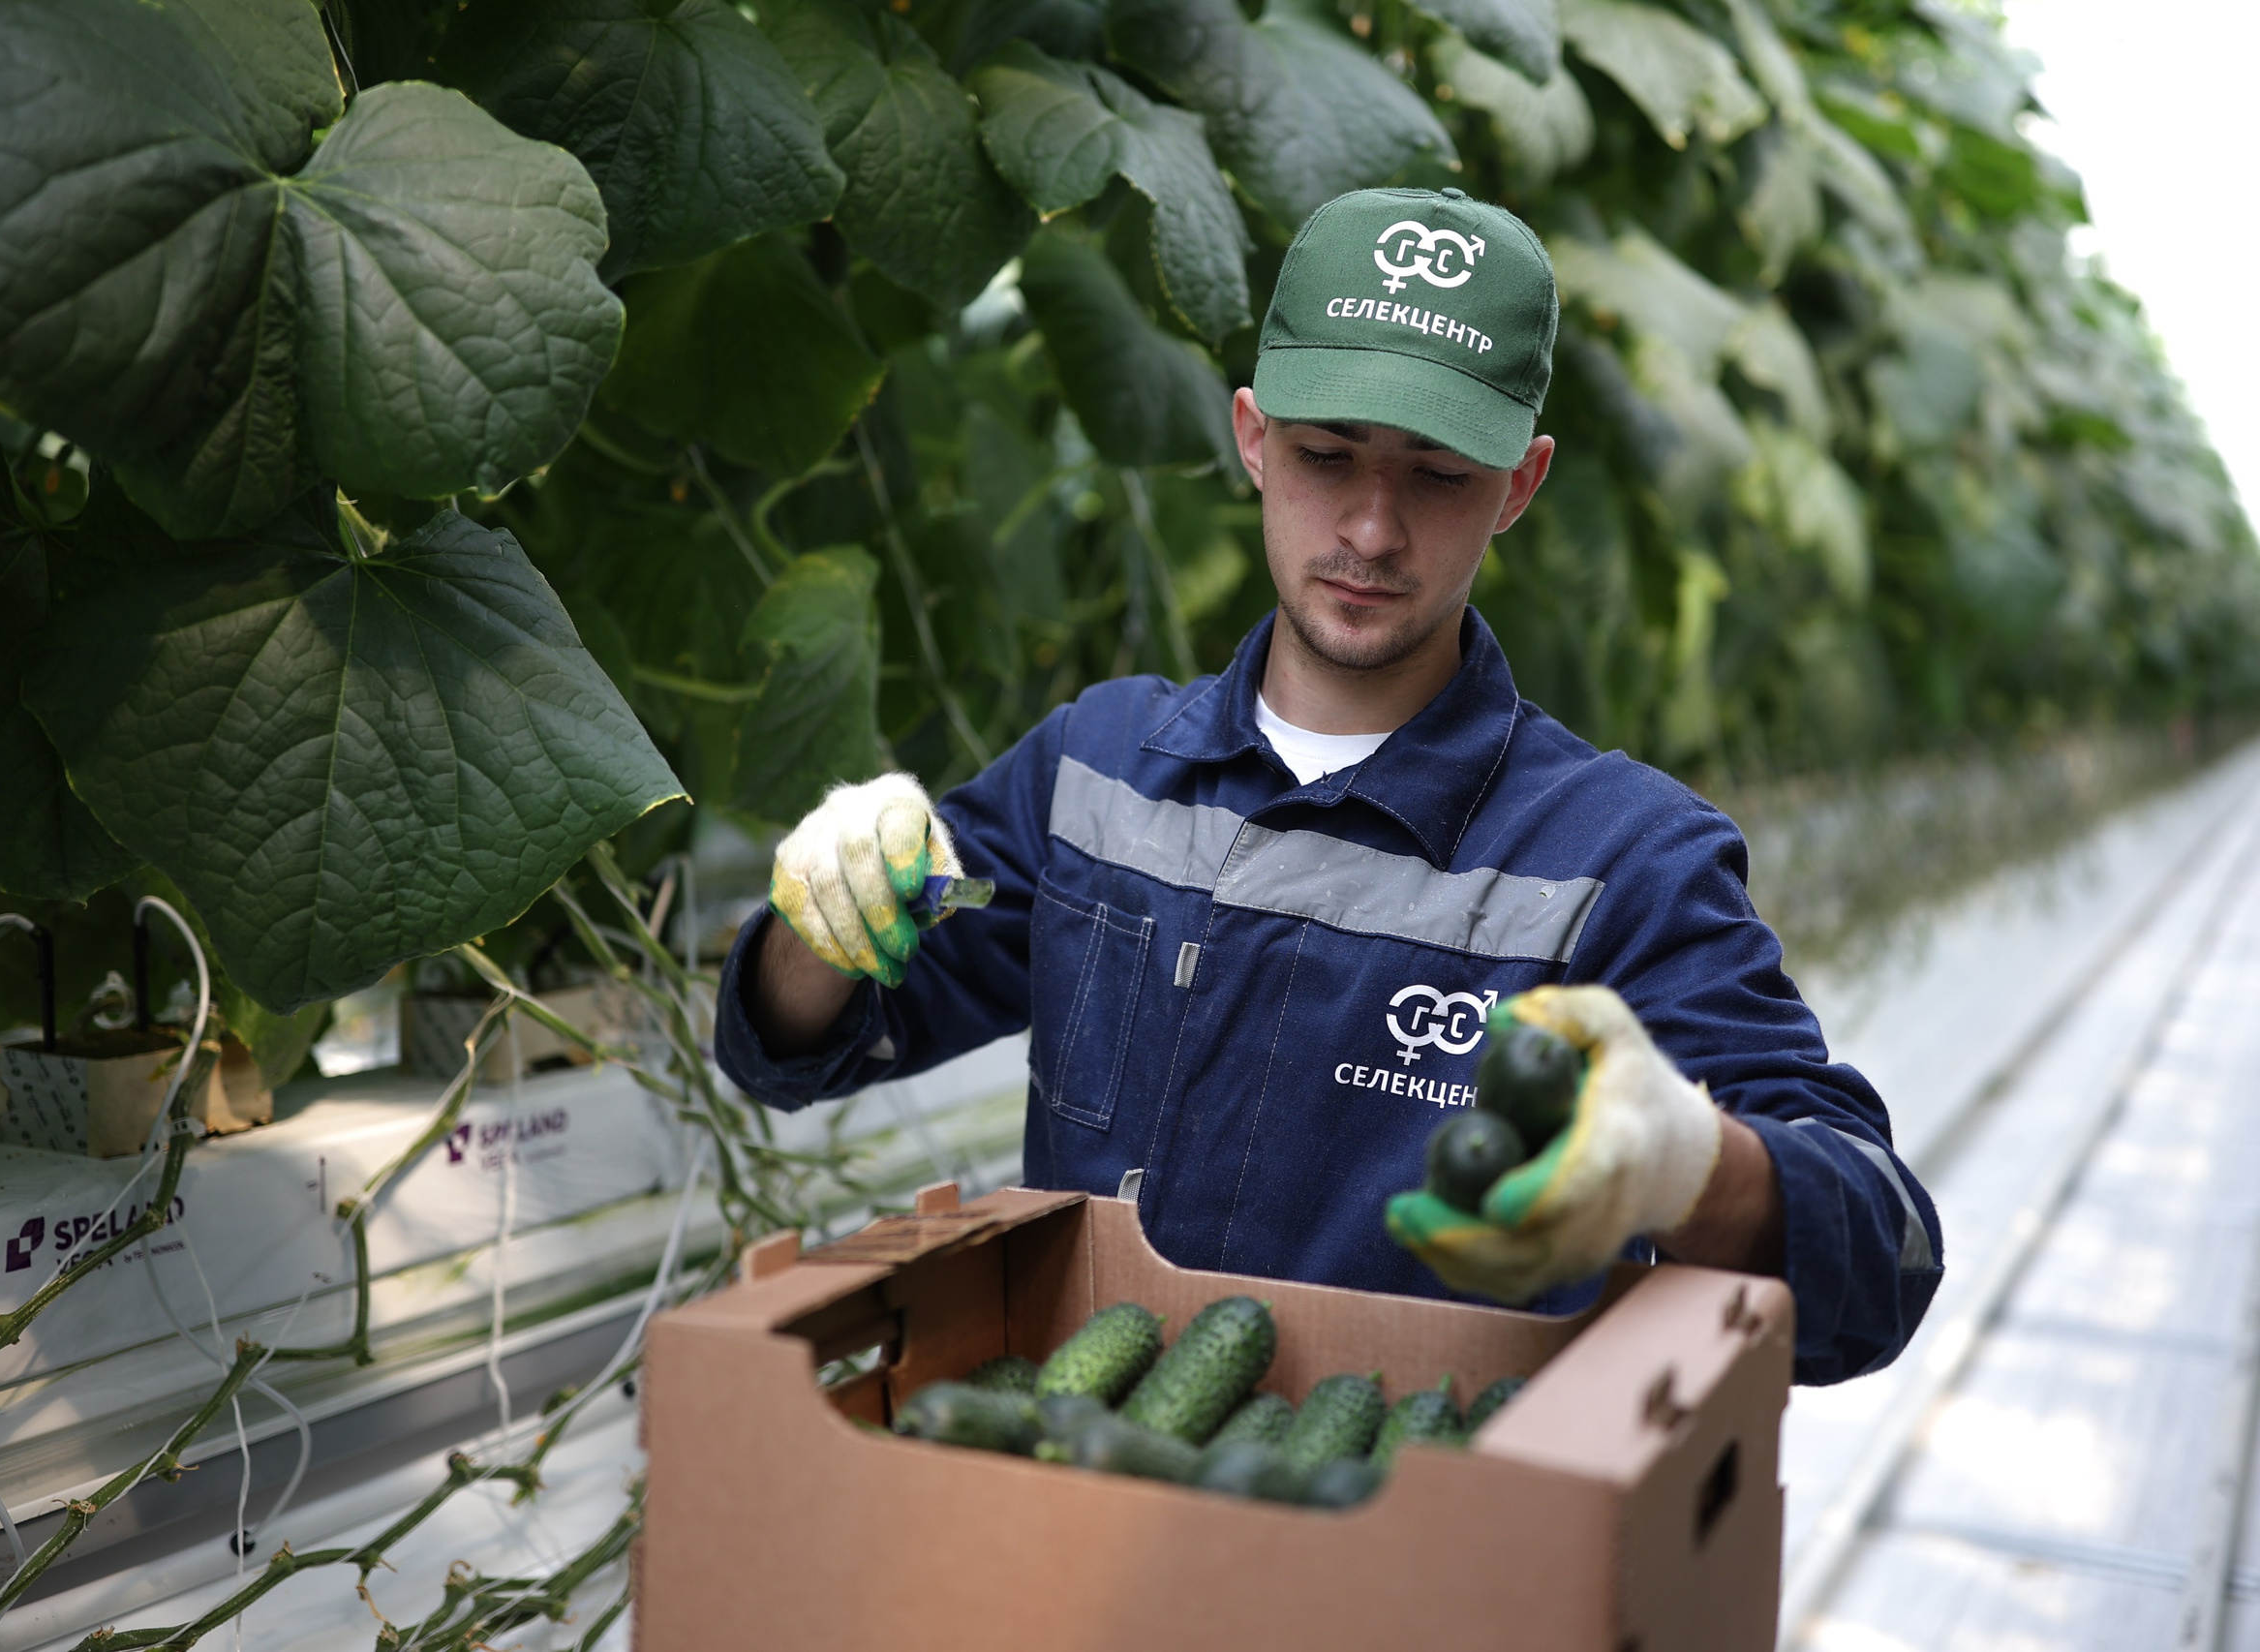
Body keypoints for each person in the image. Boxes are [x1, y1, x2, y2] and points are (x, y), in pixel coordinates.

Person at [714, 187, 1941, 1385]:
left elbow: (1883, 1252)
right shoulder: (1096, 767)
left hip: (1407, 1544)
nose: (1369, 528)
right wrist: (821, 918)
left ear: (1519, 484)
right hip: (1068, 1499)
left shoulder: (1620, 861)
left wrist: (1690, 1163)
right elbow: (798, 1050)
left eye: (1438, 475)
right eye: (1325, 454)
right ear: (1252, 437)